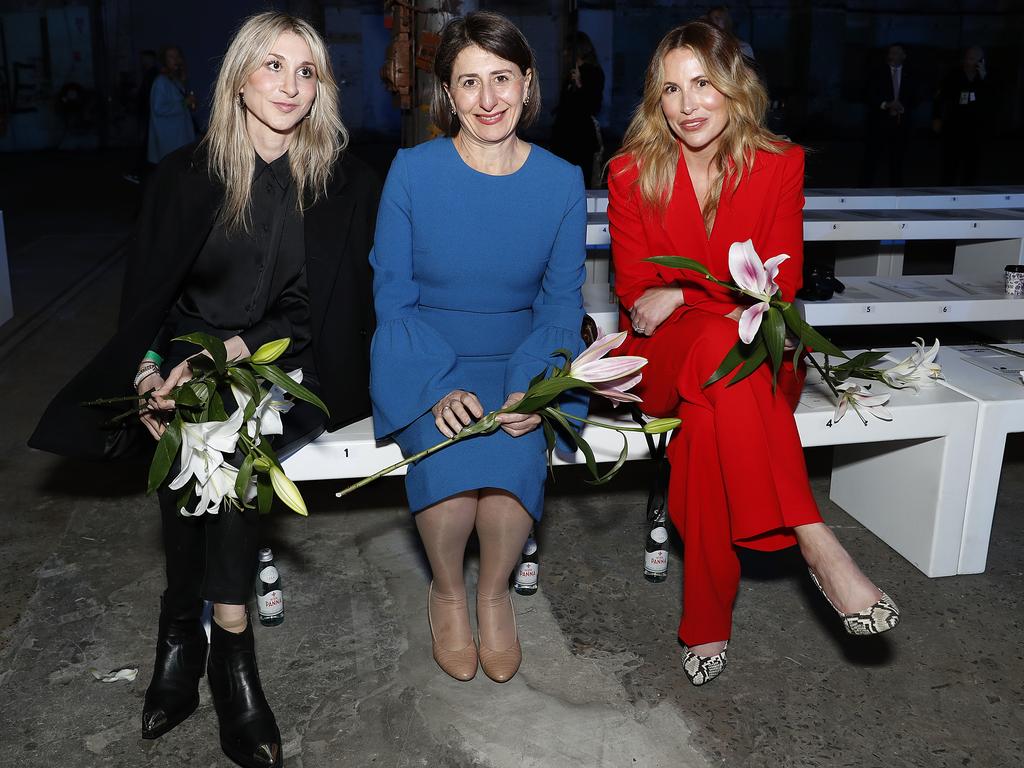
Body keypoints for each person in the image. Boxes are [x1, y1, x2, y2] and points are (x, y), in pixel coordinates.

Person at [30, 11, 380, 766]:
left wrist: (231, 353)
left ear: (321, 88)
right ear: (239, 78)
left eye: (306, 71)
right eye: (273, 67)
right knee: (191, 428)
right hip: (192, 351)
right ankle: (189, 636)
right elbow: (149, 299)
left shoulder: (344, 182)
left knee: (230, 443)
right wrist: (149, 367)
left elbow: (320, 310)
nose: (290, 86)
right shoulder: (185, 177)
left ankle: (220, 644)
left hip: (298, 363)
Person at [606, 21, 901, 687]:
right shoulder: (630, 172)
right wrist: (694, 300)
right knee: (713, 345)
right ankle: (813, 538)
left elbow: (779, 291)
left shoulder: (777, 164)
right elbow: (635, 295)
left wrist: (682, 293)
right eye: (672, 89)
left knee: (708, 428)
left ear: (735, 88)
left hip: (758, 359)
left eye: (703, 84)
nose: (688, 105)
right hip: (665, 359)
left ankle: (705, 619)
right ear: (656, 101)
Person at [370, 11, 585, 684]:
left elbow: (560, 305)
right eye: (469, 83)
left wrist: (534, 385)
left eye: (502, 78)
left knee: (514, 451)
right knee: (455, 471)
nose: (488, 99)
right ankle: (446, 591)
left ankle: (493, 595)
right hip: (423, 350)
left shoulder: (561, 180)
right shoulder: (411, 172)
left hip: (522, 349)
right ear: (447, 94)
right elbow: (393, 298)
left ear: (527, 83)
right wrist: (435, 384)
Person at [550, 31, 605, 187]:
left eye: (568, 49)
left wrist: (580, 85)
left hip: (580, 136)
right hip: (565, 135)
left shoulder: (593, 72)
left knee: (580, 179)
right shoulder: (571, 73)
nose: (565, 53)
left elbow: (593, 104)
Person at [933, 45, 990, 185]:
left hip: (976, 127)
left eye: (976, 58)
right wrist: (937, 117)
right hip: (954, 124)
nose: (971, 61)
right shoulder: (954, 74)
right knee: (950, 164)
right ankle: (945, 193)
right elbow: (940, 98)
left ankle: (968, 194)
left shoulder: (985, 76)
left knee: (972, 165)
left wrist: (983, 78)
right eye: (969, 57)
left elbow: (991, 99)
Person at [863, 43, 916, 187]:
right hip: (878, 122)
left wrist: (902, 107)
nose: (893, 55)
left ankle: (896, 190)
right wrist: (886, 104)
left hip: (900, 123)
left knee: (897, 159)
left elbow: (916, 96)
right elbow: (868, 94)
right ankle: (865, 189)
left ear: (904, 56)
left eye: (897, 53)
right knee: (872, 158)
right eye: (891, 52)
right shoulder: (877, 72)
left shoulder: (910, 74)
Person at [147, 45, 197, 165]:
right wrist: (184, 103)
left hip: (180, 138)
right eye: (171, 57)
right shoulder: (161, 82)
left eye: (177, 56)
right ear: (164, 60)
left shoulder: (175, 81)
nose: (176, 60)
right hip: (170, 140)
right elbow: (159, 109)